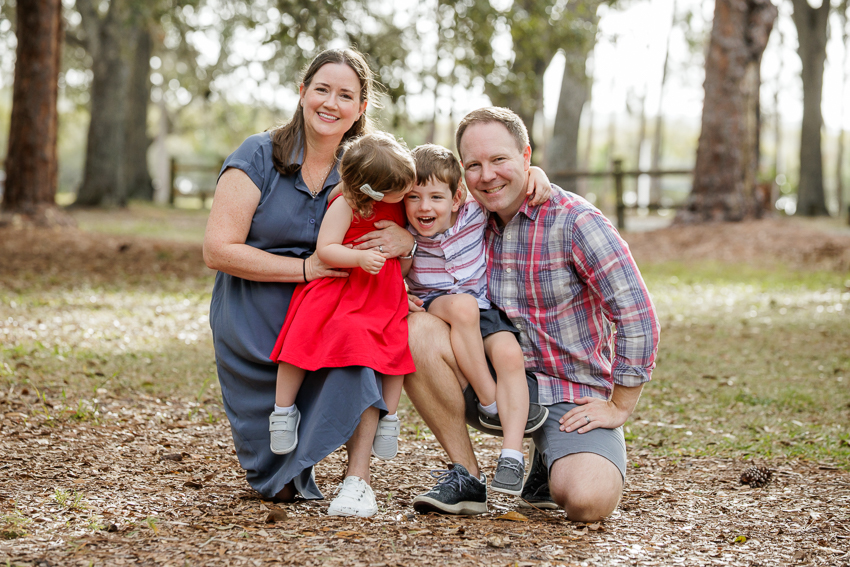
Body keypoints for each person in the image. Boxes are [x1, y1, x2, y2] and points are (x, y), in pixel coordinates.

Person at [405, 107, 660, 520]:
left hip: (569, 390)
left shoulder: (575, 221)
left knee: (587, 500)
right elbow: (406, 195)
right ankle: (467, 475)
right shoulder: (468, 216)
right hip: (490, 379)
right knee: (415, 330)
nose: (487, 175)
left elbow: (637, 315)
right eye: (474, 165)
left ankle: (549, 457)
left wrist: (620, 405)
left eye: (499, 160)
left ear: (526, 157)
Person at [203, 48, 417, 518]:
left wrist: (409, 241)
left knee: (361, 348)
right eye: (322, 89)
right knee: (277, 487)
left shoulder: (367, 164)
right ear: (302, 93)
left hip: (335, 308)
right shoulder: (257, 154)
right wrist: (305, 270)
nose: (331, 103)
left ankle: (357, 481)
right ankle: (286, 451)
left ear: (361, 108)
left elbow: (441, 190)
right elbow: (217, 250)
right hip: (256, 314)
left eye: (346, 95)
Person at [403, 144, 550, 500]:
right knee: (463, 308)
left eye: (436, 197)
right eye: (413, 197)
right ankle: (488, 400)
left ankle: (512, 456)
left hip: (483, 308)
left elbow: (504, 188)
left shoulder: (473, 213)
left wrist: (536, 173)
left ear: (456, 199)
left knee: (508, 353)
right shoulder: (403, 229)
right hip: (435, 304)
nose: (424, 207)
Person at [269, 132, 416, 480]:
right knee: (300, 341)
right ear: (374, 190)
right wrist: (359, 257)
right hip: (340, 286)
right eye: (402, 189)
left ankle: (389, 418)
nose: (408, 193)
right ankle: (283, 410)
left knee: (395, 350)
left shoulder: (397, 197)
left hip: (381, 291)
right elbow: (326, 249)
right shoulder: (346, 204)